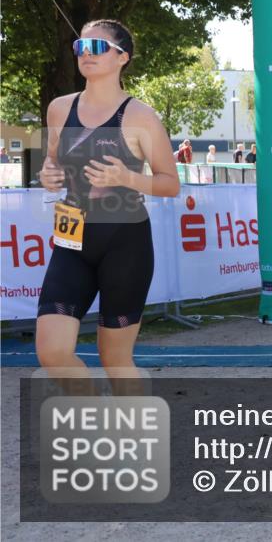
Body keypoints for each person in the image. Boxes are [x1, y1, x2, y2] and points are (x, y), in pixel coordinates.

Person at [35, 19, 180, 383]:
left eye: (97, 47)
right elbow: (53, 159)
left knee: (114, 359)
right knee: (52, 351)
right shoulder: (58, 109)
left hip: (125, 244)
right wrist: (48, 174)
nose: (86, 54)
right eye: (80, 47)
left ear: (122, 58)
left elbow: (170, 183)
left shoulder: (140, 116)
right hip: (72, 240)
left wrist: (126, 178)